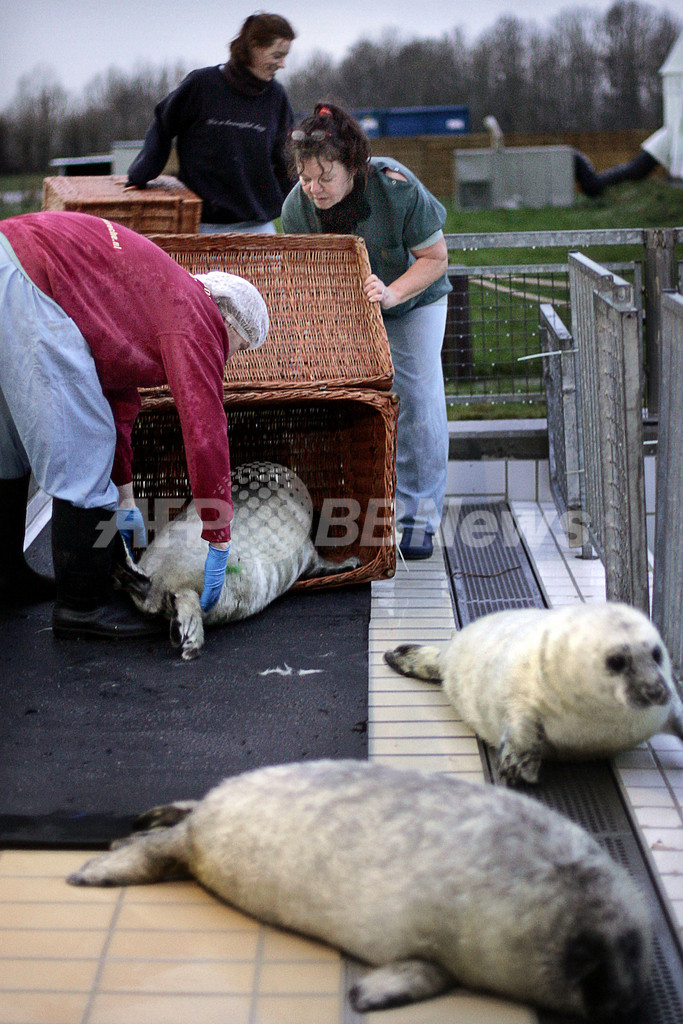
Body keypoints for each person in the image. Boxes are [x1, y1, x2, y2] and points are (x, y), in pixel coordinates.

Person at [0, 210, 269, 638]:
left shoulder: (155, 300)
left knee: (7, 442)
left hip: (12, 259)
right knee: (83, 446)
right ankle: (82, 607)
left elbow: (117, 401)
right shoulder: (199, 317)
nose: (229, 357)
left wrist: (125, 498)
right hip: (31, 278)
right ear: (232, 324)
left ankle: (6, 574)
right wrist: (218, 534)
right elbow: (205, 433)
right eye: (239, 347)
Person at [281, 103, 451, 560]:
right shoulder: (297, 208)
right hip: (348, 309)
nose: (314, 189)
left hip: (412, 301)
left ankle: (418, 519)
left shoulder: (397, 186)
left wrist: (392, 294)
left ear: (353, 167)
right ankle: (351, 510)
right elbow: (304, 276)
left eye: (325, 177)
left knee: (418, 399)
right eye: (306, 178)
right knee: (341, 400)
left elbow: (436, 259)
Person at [126, 12, 296, 234]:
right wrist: (141, 174)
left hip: (257, 226)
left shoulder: (276, 97)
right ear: (254, 46)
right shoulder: (202, 85)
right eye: (277, 55)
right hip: (201, 224)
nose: (282, 64)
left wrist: (295, 201)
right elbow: (163, 125)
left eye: (285, 56)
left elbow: (286, 158)